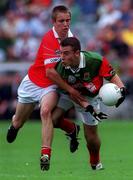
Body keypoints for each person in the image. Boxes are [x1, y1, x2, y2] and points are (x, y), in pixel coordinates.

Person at [6, 6, 84, 171]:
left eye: (68, 20)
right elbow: (49, 72)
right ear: (53, 22)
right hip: (33, 82)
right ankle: (71, 128)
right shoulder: (49, 38)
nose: (65, 24)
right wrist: (70, 90)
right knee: (19, 122)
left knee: (45, 111)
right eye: (61, 21)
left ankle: (45, 155)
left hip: (51, 85)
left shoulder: (73, 40)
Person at [47, 37, 126, 170]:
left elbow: (111, 75)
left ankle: (95, 163)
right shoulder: (60, 68)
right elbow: (71, 92)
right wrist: (86, 106)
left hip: (90, 97)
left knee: (91, 138)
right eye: (60, 53)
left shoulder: (95, 60)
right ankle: (72, 129)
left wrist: (122, 89)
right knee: (52, 120)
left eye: (66, 53)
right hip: (70, 93)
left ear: (77, 53)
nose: (62, 57)